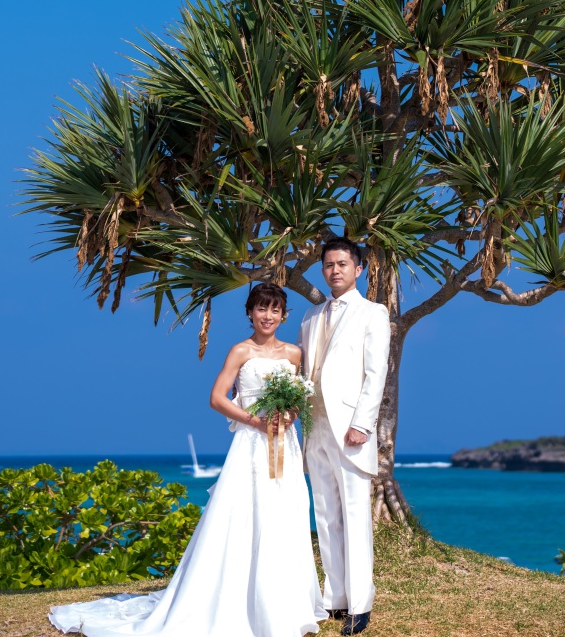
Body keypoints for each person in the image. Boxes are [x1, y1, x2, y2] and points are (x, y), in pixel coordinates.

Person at [48, 282, 327, 637]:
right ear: (249, 313)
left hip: (285, 444)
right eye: (261, 309)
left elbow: (301, 396)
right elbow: (217, 397)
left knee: (284, 512)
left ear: (283, 314)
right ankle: (239, 602)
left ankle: (284, 602)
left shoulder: (295, 354)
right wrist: (255, 420)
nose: (268, 316)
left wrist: (288, 415)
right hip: (251, 443)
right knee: (246, 513)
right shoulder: (240, 351)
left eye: (275, 310)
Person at [299, 239, 391, 637]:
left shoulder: (373, 313)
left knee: (355, 517)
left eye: (342, 263)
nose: (334, 270)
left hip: (350, 429)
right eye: (328, 265)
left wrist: (363, 423)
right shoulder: (309, 316)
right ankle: (334, 597)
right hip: (314, 426)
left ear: (358, 269)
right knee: (325, 514)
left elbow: (376, 373)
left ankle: (360, 604)